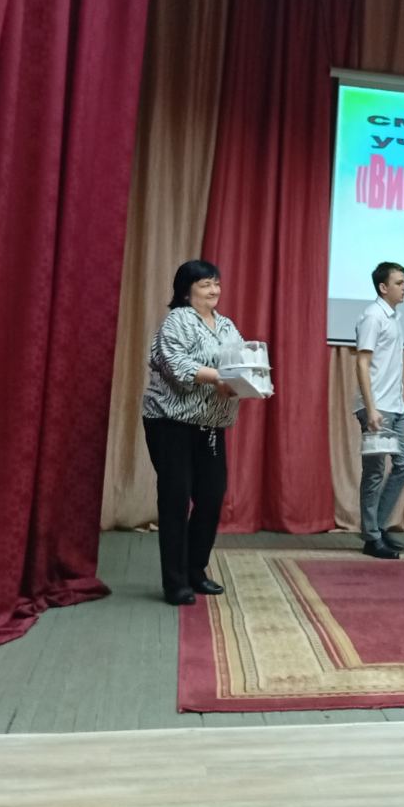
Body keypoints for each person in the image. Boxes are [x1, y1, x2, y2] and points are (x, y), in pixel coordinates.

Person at [141, 259, 243, 606]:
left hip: (211, 425)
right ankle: (175, 582)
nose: (214, 290)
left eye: (216, 283)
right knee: (175, 499)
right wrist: (219, 378)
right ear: (186, 291)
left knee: (211, 497)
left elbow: (241, 362)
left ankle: (196, 571)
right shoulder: (177, 321)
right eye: (205, 284)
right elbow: (177, 366)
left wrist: (248, 380)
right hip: (171, 424)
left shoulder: (226, 325)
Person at [353, 261, 404, 560]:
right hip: (376, 407)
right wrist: (371, 408)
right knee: (375, 472)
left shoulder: (393, 316)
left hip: (396, 406)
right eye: (399, 283)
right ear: (383, 287)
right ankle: (372, 537)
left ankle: (377, 526)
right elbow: (362, 362)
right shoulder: (373, 316)